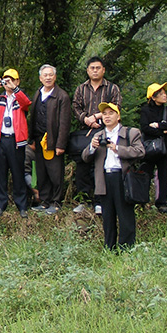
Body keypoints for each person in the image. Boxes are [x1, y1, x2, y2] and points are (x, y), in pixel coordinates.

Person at [82, 102, 145, 250]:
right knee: (108, 216)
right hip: (104, 178)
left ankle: (126, 248)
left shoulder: (131, 133)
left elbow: (140, 152)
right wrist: (92, 147)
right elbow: (85, 157)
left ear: (118, 116)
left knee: (125, 215)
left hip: (122, 178)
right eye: (104, 114)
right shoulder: (99, 135)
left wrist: (118, 149)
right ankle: (109, 247)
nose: (107, 116)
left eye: (111, 113)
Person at [71, 56, 122, 215]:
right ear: (87, 70)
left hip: (105, 131)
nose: (95, 70)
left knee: (100, 165)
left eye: (98, 68)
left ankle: (100, 201)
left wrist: (97, 116)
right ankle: (84, 200)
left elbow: (116, 106)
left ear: (103, 70)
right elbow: (75, 107)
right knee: (82, 165)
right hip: (85, 132)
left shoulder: (112, 88)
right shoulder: (81, 89)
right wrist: (86, 119)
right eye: (92, 68)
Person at [0, 68, 31, 218]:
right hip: (0, 140)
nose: (8, 82)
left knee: (18, 173)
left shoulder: (20, 97)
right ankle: (0, 204)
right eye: (6, 79)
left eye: (12, 79)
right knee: (0, 174)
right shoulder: (0, 98)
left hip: (16, 141)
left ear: (17, 81)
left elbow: (27, 103)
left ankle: (21, 205)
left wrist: (14, 89)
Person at [28, 65, 71, 215]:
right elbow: (33, 117)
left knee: (55, 172)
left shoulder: (62, 96)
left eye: (50, 75)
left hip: (53, 139)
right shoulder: (38, 93)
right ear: (40, 78)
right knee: (42, 171)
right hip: (39, 139)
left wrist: (61, 144)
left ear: (55, 77)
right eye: (45, 75)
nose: (48, 78)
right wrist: (32, 139)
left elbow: (65, 123)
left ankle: (56, 202)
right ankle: (45, 201)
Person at [139, 82, 167, 213]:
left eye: (164, 93)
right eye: (161, 94)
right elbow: (145, 127)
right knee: (145, 174)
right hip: (149, 148)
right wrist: (163, 131)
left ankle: (162, 203)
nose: (164, 95)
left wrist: (158, 126)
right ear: (153, 97)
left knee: (164, 176)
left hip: (165, 149)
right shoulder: (145, 110)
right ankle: (142, 201)